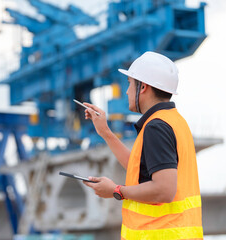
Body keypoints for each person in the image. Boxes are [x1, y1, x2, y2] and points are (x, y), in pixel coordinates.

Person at [82, 51, 203, 239]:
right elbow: (138, 168)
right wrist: (105, 133)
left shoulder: (156, 127)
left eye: (130, 84)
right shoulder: (172, 121)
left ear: (143, 87)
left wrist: (116, 191)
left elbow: (164, 190)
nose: (127, 91)